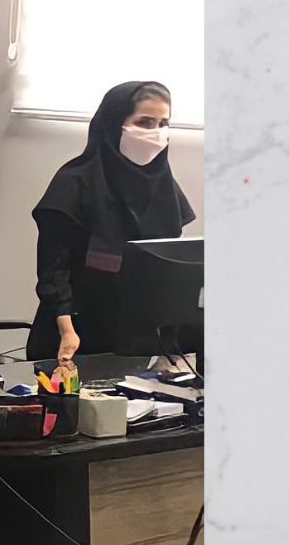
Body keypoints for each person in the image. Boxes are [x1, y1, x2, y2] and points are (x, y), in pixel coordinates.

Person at [28, 79, 195, 364]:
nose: (155, 132)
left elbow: (167, 269)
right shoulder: (74, 183)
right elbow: (54, 273)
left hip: (137, 340)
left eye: (163, 123)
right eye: (144, 122)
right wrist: (67, 331)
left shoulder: (163, 187)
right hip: (75, 336)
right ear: (114, 123)